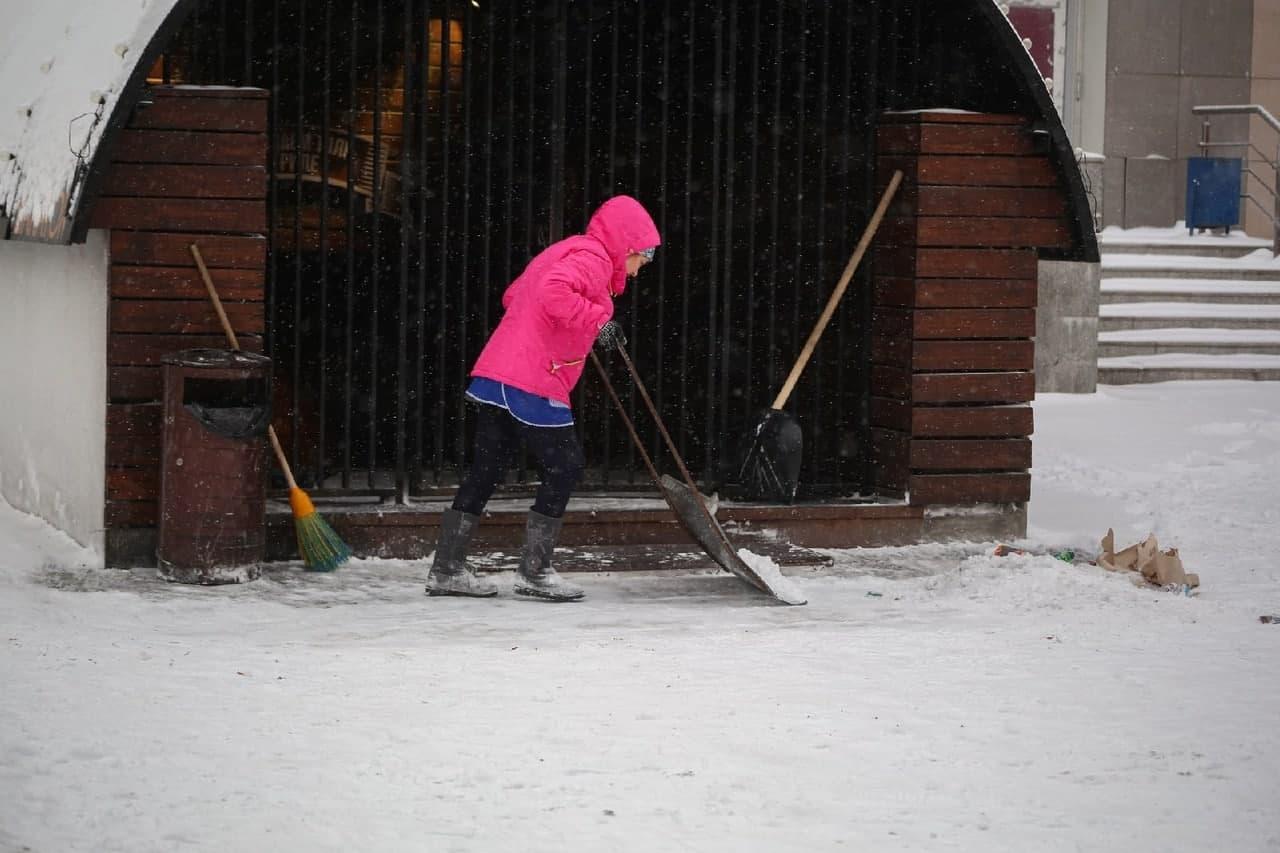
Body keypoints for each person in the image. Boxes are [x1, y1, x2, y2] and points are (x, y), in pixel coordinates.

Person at [426, 195, 661, 602]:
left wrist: (574, 331)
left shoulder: (566, 249)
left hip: (498, 370)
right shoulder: (593, 258)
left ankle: (447, 569)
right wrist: (597, 321)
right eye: (645, 256)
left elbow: (515, 294)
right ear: (626, 244)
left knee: (488, 467)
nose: (642, 268)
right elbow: (553, 292)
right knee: (566, 466)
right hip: (533, 378)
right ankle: (535, 572)